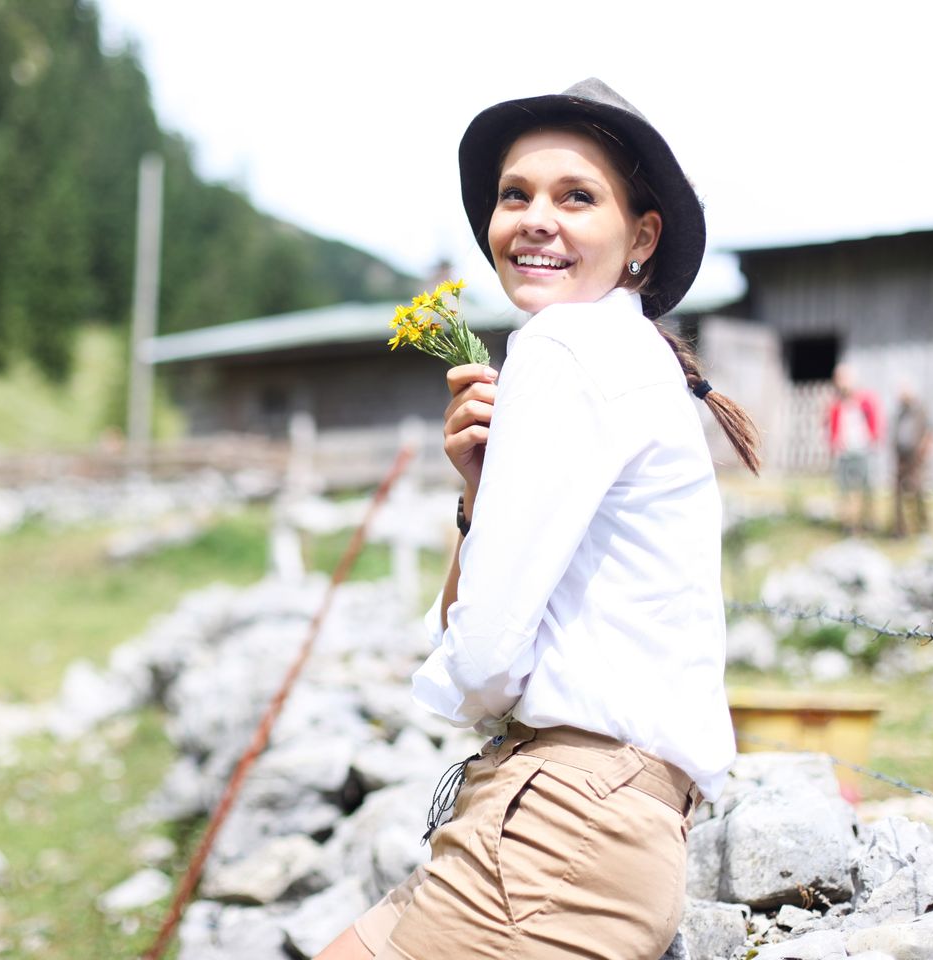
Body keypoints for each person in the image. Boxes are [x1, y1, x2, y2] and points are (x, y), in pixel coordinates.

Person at [317, 78, 760, 960]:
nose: (534, 218)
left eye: (576, 196)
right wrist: (482, 491)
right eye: (514, 194)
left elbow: (478, 654)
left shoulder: (565, 348)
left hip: (559, 825)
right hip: (590, 824)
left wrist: (474, 696)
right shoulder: (626, 355)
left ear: (642, 235)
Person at [826, 363, 881, 534]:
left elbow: (875, 421)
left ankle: (868, 522)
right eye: (839, 380)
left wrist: (873, 440)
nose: (841, 383)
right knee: (845, 489)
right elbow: (832, 425)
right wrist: (834, 444)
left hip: (863, 450)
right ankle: (849, 525)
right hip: (845, 452)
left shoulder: (865, 400)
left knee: (866, 488)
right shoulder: (836, 404)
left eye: (844, 379)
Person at [891, 384, 933, 536]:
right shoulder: (900, 413)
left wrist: (924, 452)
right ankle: (900, 529)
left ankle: (923, 525)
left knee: (918, 490)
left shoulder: (921, 411)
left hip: (916, 459)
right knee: (897, 493)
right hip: (901, 457)